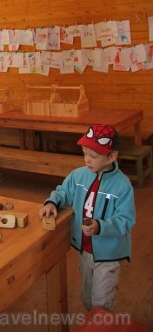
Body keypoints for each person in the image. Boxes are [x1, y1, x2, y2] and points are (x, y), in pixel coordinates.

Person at [39, 124, 135, 313]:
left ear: (112, 156)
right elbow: (63, 191)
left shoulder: (122, 185)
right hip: (84, 251)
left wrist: (101, 226)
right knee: (87, 296)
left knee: (102, 303)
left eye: (93, 156)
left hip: (108, 255)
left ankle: (102, 324)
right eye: (84, 153)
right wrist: (52, 202)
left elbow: (126, 219)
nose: (87, 160)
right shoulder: (78, 175)